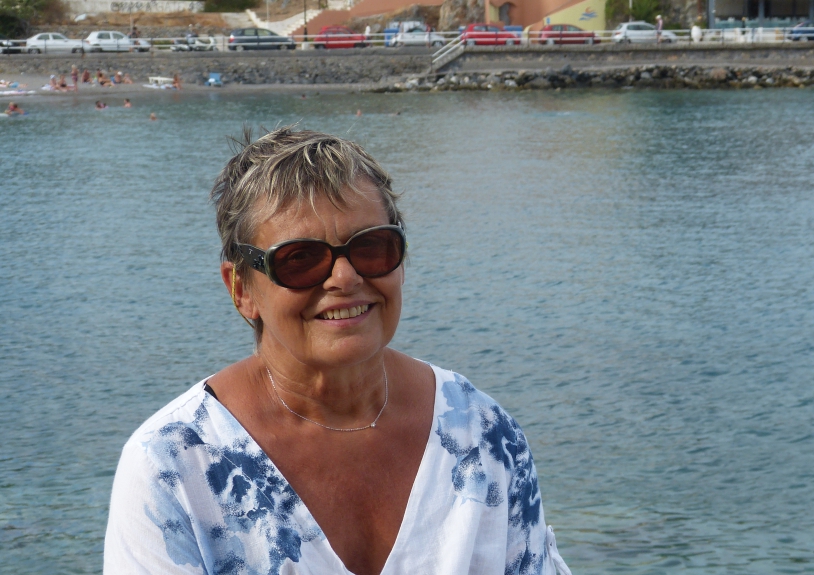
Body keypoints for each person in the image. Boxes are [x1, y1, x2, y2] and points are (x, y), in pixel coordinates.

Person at [104, 128, 571, 575]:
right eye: (300, 258)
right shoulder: (173, 465)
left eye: (371, 248)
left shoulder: (486, 436)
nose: (345, 278)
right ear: (241, 288)